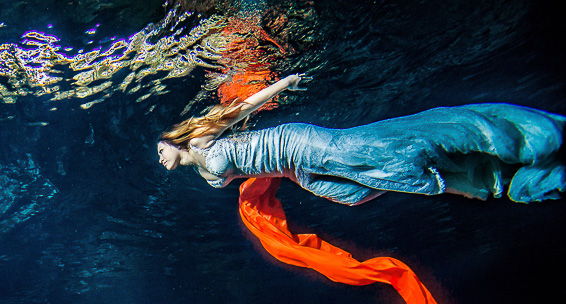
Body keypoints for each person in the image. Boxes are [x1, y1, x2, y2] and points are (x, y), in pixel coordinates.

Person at [157, 74, 565, 204]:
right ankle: (469, 180)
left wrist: (286, 81)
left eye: (161, 150)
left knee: (371, 153)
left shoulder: (201, 142)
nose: (160, 159)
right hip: (296, 172)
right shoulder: (207, 177)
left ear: (174, 141)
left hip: (296, 144)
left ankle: (465, 176)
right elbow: (254, 178)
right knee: (351, 196)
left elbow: (241, 109)